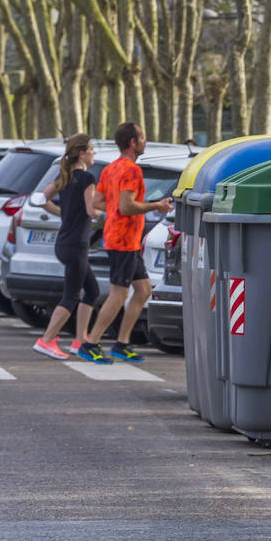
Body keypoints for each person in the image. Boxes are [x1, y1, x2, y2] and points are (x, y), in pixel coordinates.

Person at [77, 122, 173, 364]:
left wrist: (118, 208)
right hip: (123, 240)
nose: (145, 140)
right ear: (132, 142)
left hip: (120, 238)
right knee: (119, 295)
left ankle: (122, 343)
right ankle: (90, 343)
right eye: (142, 136)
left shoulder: (111, 169)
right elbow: (127, 206)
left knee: (143, 290)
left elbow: (99, 202)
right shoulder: (131, 170)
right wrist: (156, 205)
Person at [32, 134, 101, 360]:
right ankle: (47, 340)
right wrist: (104, 211)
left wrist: (63, 212)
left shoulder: (65, 176)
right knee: (71, 295)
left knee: (92, 291)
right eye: (91, 149)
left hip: (64, 243)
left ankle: (79, 340)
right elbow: (92, 211)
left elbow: (41, 199)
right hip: (76, 245)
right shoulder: (87, 178)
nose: (93, 153)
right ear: (82, 154)